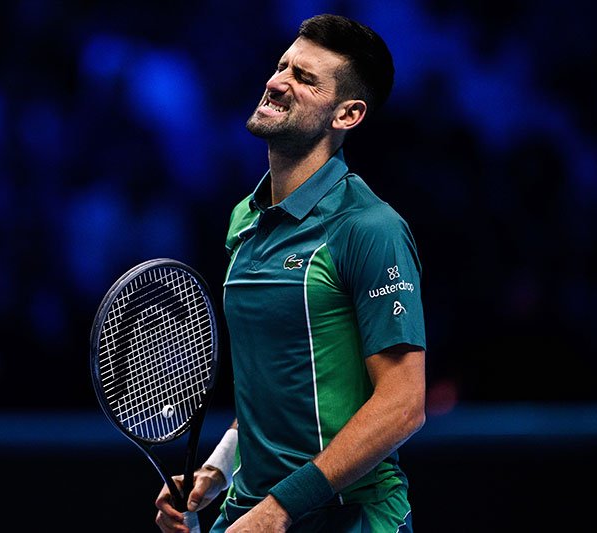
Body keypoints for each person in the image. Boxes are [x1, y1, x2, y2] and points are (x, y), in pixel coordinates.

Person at [155, 13, 426, 533]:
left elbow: (403, 406)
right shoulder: (244, 219)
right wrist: (216, 470)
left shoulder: (369, 228)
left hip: (349, 518)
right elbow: (276, 392)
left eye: (304, 78)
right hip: (250, 511)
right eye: (283, 66)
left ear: (347, 114)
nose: (277, 82)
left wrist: (280, 508)